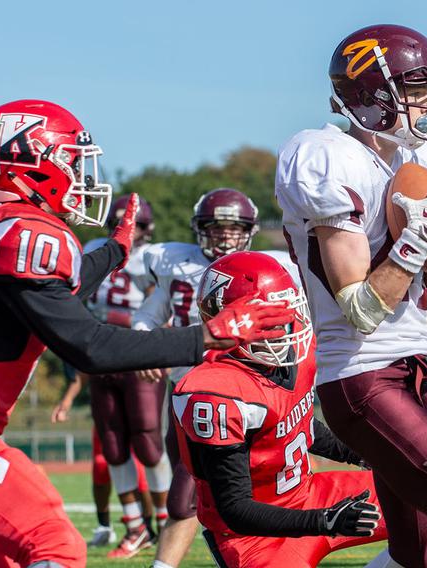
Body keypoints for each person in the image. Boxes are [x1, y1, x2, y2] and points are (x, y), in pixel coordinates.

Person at [0, 99, 295, 568]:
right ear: (34, 163)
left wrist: (115, 251)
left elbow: (62, 292)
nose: (80, 176)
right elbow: (91, 345)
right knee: (56, 543)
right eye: (72, 161)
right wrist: (206, 336)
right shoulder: (25, 230)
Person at [275, 24, 427, 568]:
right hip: (359, 374)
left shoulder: (418, 162)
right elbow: (360, 311)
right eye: (415, 89)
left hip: (414, 365)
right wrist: (417, 240)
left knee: (414, 553)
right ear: (373, 95)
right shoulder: (326, 156)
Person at [173, 251, 386, 568]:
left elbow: (298, 425)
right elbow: (235, 508)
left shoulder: (298, 355)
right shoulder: (214, 391)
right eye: (264, 317)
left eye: (281, 312)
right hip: (253, 537)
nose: (279, 327)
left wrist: (358, 453)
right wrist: (325, 521)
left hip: (311, 494)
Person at [130, 188, 299, 568]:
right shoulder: (176, 265)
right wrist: (147, 350)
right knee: (203, 495)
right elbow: (146, 318)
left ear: (249, 230)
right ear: (199, 229)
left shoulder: (266, 267)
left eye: (232, 228)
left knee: (193, 492)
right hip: (186, 390)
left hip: (244, 393)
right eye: (216, 227)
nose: (224, 235)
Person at [82, 195, 171, 559]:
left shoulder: (158, 258)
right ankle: (136, 527)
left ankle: (167, 523)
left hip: (138, 354)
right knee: (113, 445)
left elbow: (167, 306)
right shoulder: (94, 249)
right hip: (100, 353)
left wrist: (159, 344)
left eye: (137, 226)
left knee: (148, 443)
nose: (132, 234)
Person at [49, 364, 152, 549]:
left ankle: (149, 527)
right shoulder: (94, 339)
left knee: (141, 466)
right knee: (101, 465)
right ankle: (104, 526)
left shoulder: (134, 337)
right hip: (108, 408)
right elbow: (85, 367)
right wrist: (67, 400)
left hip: (134, 404)